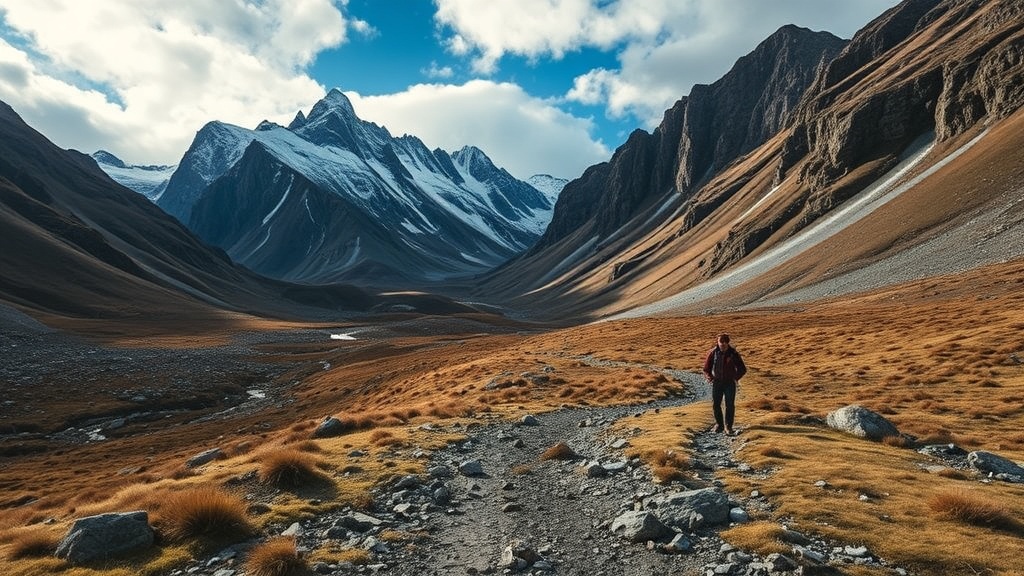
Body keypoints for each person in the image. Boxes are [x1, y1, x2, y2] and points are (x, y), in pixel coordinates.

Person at [702, 333, 747, 435]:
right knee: (716, 404)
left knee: (730, 405)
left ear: (728, 342)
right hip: (717, 382)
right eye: (721, 342)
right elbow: (706, 369)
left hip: (729, 383)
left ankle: (728, 427)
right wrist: (710, 377)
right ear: (717, 342)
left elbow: (742, 369)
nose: (723, 344)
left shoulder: (733, 354)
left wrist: (736, 378)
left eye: (725, 342)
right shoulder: (713, 353)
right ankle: (719, 425)